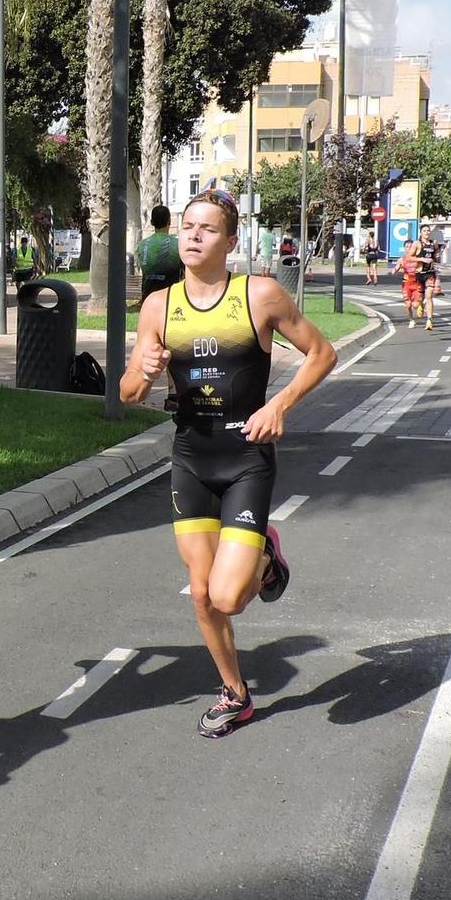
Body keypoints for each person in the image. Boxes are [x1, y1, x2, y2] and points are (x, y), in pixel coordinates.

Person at [120, 190, 337, 738]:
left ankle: (265, 553)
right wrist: (142, 371)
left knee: (227, 597)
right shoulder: (158, 307)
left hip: (245, 457)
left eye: (207, 229)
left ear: (231, 241)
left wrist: (278, 404)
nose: (192, 236)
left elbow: (322, 352)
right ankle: (235, 694)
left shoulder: (259, 296)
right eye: (188, 226)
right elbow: (126, 392)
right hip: (191, 456)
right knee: (200, 591)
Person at [137, 204, 181, 300]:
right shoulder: (179, 244)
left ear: (152, 222)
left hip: (148, 300)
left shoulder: (141, 245)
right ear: (169, 221)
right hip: (171, 299)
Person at [398, 241, 425, 326]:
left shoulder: (418, 258)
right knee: (408, 304)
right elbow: (397, 267)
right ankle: (411, 320)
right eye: (407, 246)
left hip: (417, 283)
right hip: (406, 284)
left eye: (411, 246)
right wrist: (394, 270)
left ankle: (421, 303)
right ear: (404, 248)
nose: (409, 248)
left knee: (415, 305)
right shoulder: (402, 259)